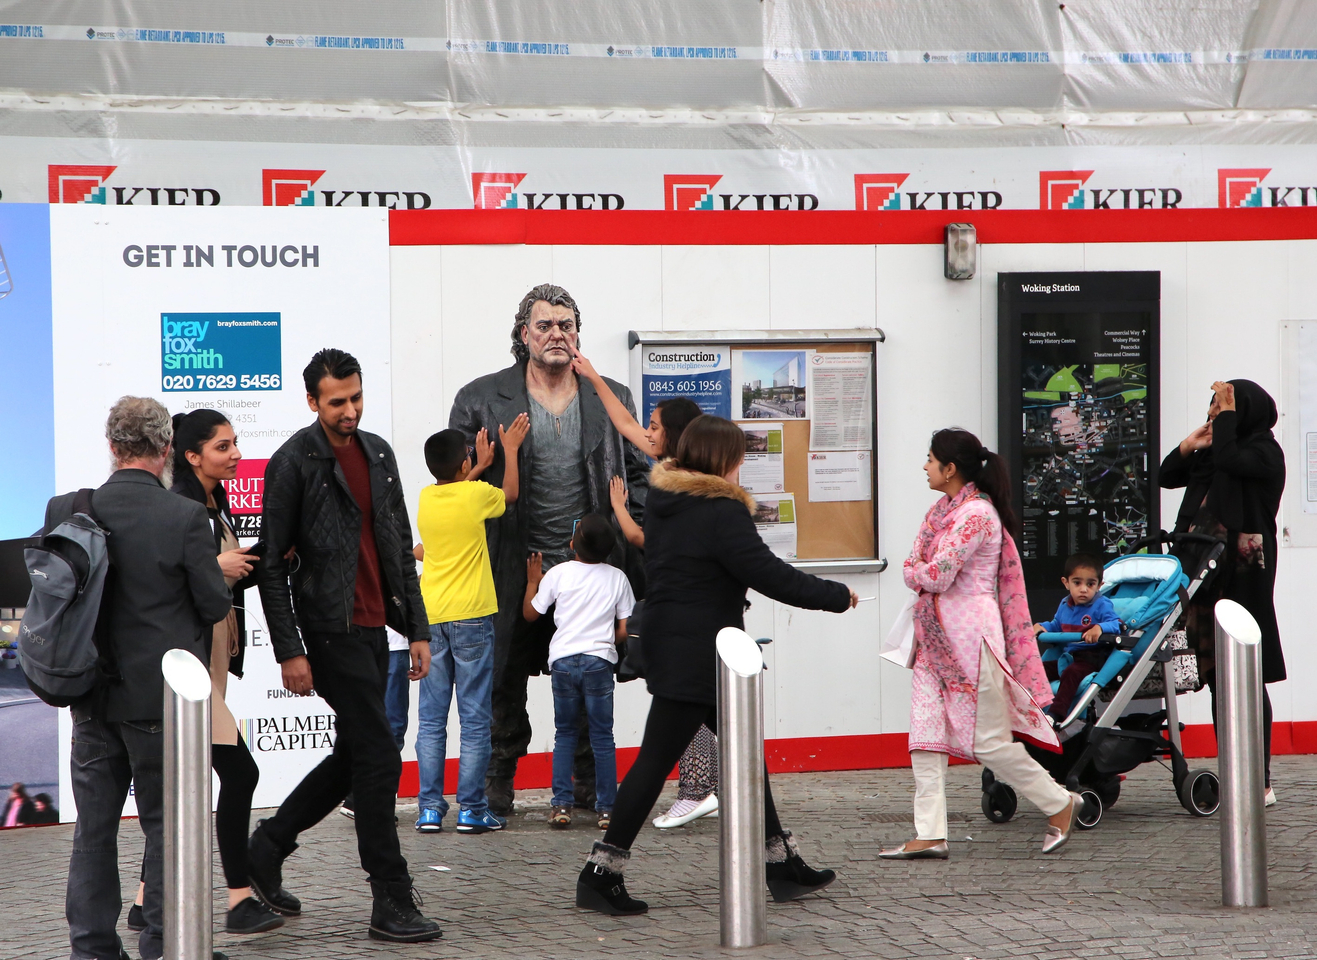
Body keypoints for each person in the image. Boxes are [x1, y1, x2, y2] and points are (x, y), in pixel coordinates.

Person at [575, 415, 856, 917]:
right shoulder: (720, 510)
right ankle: (600, 874)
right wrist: (837, 595)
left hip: (679, 642)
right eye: (738, 456)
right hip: (699, 653)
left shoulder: (667, 500)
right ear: (725, 459)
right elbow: (768, 574)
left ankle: (781, 864)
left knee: (743, 752)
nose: (742, 464)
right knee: (656, 761)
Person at [249, 349, 441, 943]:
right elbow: (271, 569)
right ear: (312, 402)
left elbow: (398, 542)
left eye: (356, 397)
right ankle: (389, 894)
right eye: (337, 401)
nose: (351, 410)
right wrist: (290, 650)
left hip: (374, 626)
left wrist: (417, 627)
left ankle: (268, 847)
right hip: (327, 631)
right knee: (380, 756)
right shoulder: (292, 462)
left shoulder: (379, 453)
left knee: (355, 754)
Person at [448, 283, 649, 817]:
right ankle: (497, 780)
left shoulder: (613, 398)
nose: (557, 334)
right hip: (510, 563)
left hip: (590, 566)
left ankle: (587, 780)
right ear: (523, 335)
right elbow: (457, 484)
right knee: (502, 678)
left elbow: (640, 477)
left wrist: (635, 538)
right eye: (545, 325)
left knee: (590, 672)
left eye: (566, 325)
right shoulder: (481, 397)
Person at [57, 396, 233, 960]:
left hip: (89, 697)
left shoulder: (68, 509)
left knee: (93, 831)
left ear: (112, 448)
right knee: (166, 829)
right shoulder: (183, 517)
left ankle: (91, 948)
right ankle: (162, 943)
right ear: (165, 452)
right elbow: (211, 605)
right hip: (161, 704)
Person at [881, 428, 1080, 863]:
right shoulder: (941, 511)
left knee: (986, 743)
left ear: (950, 469)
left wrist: (916, 571)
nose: (924, 466)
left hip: (972, 639)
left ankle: (1058, 801)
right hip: (933, 636)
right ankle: (929, 833)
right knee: (925, 735)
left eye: (930, 458)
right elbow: (919, 564)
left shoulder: (977, 516)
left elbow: (932, 574)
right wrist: (919, 569)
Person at [570, 350, 721, 828]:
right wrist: (591, 373)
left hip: (685, 610)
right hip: (693, 607)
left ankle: (698, 789)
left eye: (654, 426)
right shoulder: (682, 467)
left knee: (692, 704)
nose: (646, 432)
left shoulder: (678, 484)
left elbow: (640, 539)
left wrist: (618, 508)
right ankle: (754, 819)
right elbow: (623, 419)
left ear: (672, 435)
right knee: (704, 706)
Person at [166, 409, 283, 934]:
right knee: (241, 773)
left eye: (234, 443)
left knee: (179, 786)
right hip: (188, 673)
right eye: (222, 446)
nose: (236, 453)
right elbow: (165, 578)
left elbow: (224, 582)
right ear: (192, 456)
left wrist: (265, 559)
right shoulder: (183, 507)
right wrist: (219, 568)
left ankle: (149, 902)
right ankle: (238, 900)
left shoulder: (217, 503)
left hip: (208, 671)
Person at [1160, 379, 1285, 806]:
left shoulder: (1263, 453)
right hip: (1202, 573)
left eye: (1224, 406)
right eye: (1213, 405)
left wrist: (1226, 423)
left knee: (1246, 676)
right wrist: (1188, 445)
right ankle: (1235, 770)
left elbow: (1233, 460)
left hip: (1244, 572)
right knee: (1216, 677)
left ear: (1244, 411)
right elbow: (1166, 476)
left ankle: (1260, 777)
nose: (1214, 413)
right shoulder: (1216, 452)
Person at [413, 417, 529, 835]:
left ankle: (428, 809)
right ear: (464, 465)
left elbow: (458, 490)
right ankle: (472, 809)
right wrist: (509, 451)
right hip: (473, 616)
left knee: (431, 720)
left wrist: (474, 465)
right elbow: (510, 495)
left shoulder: (428, 498)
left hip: (433, 618)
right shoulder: (477, 495)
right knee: (476, 719)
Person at [524, 515, 635, 830]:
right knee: (602, 737)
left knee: (565, 734)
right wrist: (603, 643)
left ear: (573, 543)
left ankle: (561, 806)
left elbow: (531, 614)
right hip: (599, 662)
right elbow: (625, 628)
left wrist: (533, 580)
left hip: (563, 662)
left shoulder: (557, 574)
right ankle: (606, 810)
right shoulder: (617, 578)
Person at [1034, 554, 1122, 725]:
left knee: (1071, 673)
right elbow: (1056, 625)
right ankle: (1028, 710)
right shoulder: (1064, 605)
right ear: (1066, 583)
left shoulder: (1102, 604)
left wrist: (1099, 628)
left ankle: (1055, 714)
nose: (1083, 589)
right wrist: (1042, 627)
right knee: (1036, 670)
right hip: (1068, 658)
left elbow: (1117, 624)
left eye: (1090, 584)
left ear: (1099, 586)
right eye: (1077, 583)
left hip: (1091, 657)